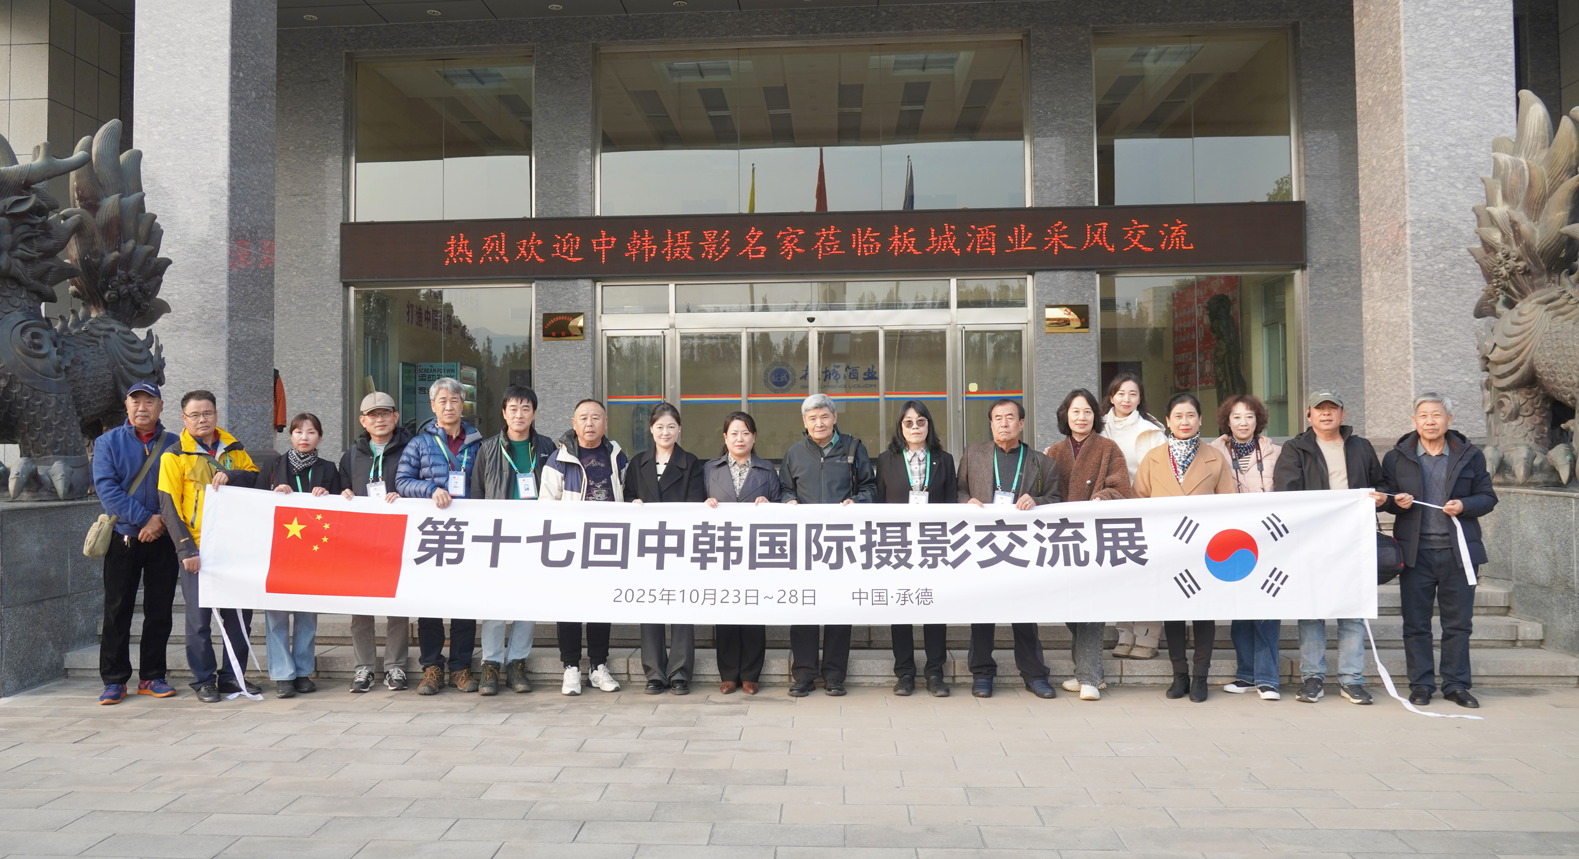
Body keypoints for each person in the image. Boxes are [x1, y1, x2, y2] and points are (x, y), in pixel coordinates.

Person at [1381, 393, 1497, 709]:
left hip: (1458, 553)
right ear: (1414, 420)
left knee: (1458, 624)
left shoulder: (1469, 455)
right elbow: (1386, 498)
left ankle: (1456, 685)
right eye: (1423, 415)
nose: (1430, 421)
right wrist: (1395, 502)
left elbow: (1488, 497)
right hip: (1415, 554)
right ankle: (1421, 685)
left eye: (1436, 415)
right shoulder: (1397, 457)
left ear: (1449, 419)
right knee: (1415, 624)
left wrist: (1464, 505)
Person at [1272, 390, 1388, 706]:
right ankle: (1313, 678)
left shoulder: (1361, 447)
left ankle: (1352, 680)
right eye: (1319, 408)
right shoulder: (1296, 449)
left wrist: (1381, 496)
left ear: (1343, 414)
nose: (1326, 413)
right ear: (1309, 415)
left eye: (1332, 408)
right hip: (1312, 542)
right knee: (1312, 610)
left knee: (1353, 611)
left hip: (1355, 541)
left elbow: (1382, 484)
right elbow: (1286, 493)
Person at [158, 390, 260, 703]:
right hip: (199, 549)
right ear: (184, 419)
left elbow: (254, 479)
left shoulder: (234, 447)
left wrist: (232, 475)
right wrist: (186, 550)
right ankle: (203, 680)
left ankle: (232, 677)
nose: (202, 419)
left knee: (238, 618)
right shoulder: (174, 455)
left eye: (207, 413)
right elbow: (169, 507)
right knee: (199, 620)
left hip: (235, 547)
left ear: (216, 414)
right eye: (195, 415)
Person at [957, 398, 1062, 700]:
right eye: (998, 418)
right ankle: (982, 674)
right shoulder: (973, 455)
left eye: (1010, 417)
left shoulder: (1042, 463)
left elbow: (1056, 499)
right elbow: (959, 490)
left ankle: (1034, 674)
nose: (1004, 423)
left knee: (1025, 614)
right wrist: (966, 501)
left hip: (1022, 548)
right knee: (982, 613)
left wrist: (1037, 501)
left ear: (1021, 423)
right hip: (983, 545)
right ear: (991, 424)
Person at [1135, 393, 1235, 703]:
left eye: (1190, 415)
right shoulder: (1153, 458)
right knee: (1173, 613)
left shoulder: (1215, 457)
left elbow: (1229, 504)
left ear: (1200, 419)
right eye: (1178, 416)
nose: (1184, 421)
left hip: (1204, 548)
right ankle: (1179, 674)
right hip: (1166, 547)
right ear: (1168, 421)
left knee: (1204, 613)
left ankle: (1201, 675)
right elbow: (1139, 501)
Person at [235, 413, 344, 698]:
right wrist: (273, 492)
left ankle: (303, 672)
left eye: (311, 432)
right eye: (298, 432)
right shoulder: (273, 466)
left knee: (307, 615)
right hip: (279, 552)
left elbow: (341, 511)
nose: (304, 437)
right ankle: (283, 674)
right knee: (277, 615)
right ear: (291, 435)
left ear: (320, 436)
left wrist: (328, 495)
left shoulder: (328, 468)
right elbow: (257, 505)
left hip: (313, 553)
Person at [778, 393, 877, 697]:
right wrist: (788, 500)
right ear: (804, 422)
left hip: (841, 542)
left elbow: (870, 487)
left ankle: (834, 675)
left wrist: (857, 501)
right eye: (812, 418)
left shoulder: (853, 448)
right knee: (803, 607)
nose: (818, 423)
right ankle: (804, 675)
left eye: (824, 416)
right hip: (804, 544)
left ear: (834, 418)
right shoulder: (794, 453)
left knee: (838, 608)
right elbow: (784, 488)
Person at [92, 381, 182, 705]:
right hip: (124, 537)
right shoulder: (108, 442)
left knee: (160, 610)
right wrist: (145, 519)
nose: (142, 407)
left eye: (149, 401)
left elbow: (182, 488)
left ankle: (152, 676)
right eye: (136, 401)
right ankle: (114, 680)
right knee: (118, 610)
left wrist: (160, 521)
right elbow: (107, 489)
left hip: (164, 539)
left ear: (161, 406)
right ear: (126, 406)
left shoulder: (175, 444)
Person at [395, 377, 484, 696]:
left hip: (469, 534)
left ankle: (461, 666)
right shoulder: (418, 444)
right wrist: (431, 489)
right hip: (431, 535)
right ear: (432, 406)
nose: (449, 406)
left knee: (464, 603)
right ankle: (431, 667)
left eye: (455, 400)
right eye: (442, 401)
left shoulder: (478, 443)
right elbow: (402, 481)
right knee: (430, 602)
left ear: (463, 405)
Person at [1043, 388, 1132, 701]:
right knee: (1070, 605)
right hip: (1062, 539)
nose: (1081, 417)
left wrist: (1101, 498)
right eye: (1075, 411)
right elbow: (1044, 492)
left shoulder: (1109, 448)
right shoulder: (1054, 452)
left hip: (1095, 537)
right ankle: (1090, 671)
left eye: (1087, 412)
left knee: (1091, 605)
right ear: (1065, 416)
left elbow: (1121, 488)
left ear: (1096, 416)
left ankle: (1089, 678)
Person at [543, 398, 629, 696]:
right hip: (570, 545)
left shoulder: (617, 456)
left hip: (606, 545)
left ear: (605, 422)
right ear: (574, 423)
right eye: (583, 418)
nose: (589, 423)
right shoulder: (559, 458)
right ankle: (570, 667)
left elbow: (627, 494)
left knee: (600, 604)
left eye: (595, 417)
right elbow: (546, 503)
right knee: (568, 604)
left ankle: (598, 666)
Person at [474, 385, 557, 696]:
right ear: (504, 413)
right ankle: (491, 663)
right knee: (495, 601)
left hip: (536, 535)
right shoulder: (487, 448)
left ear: (534, 413)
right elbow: (477, 494)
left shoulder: (548, 447)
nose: (519, 414)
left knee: (527, 600)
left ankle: (517, 663)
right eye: (513, 408)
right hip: (499, 536)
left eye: (525, 409)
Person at [875, 400, 957, 698]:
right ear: (900, 427)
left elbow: (951, 502)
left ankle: (935, 672)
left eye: (920, 421)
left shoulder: (944, 459)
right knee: (901, 607)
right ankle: (905, 672)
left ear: (928, 425)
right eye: (908, 422)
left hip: (934, 544)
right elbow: (880, 504)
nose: (914, 427)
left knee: (934, 607)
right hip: (897, 544)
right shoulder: (887, 460)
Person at [625, 403, 707, 695]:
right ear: (651, 429)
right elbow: (628, 496)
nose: (665, 432)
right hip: (647, 545)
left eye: (671, 426)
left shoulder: (691, 462)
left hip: (680, 543)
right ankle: (654, 673)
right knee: (651, 605)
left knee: (681, 605)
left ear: (679, 429)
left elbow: (695, 502)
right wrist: (633, 504)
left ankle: (680, 672)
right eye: (660, 426)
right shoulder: (638, 463)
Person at [1208, 394, 1284, 701]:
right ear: (1227, 421)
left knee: (1266, 609)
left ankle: (1268, 679)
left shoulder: (1275, 452)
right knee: (1240, 610)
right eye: (1237, 417)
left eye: (1249, 416)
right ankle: (1246, 675)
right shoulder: (1212, 452)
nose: (1243, 422)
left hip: (1267, 538)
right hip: (1231, 540)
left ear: (1258, 420)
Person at [337, 391, 412, 692]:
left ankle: (395, 667)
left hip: (398, 537)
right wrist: (342, 494)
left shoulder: (410, 449)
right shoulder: (351, 455)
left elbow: (418, 484)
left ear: (395, 416)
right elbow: (341, 489)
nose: (379, 419)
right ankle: (364, 669)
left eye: (385, 413)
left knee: (398, 605)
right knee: (361, 608)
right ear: (362, 421)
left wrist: (405, 494)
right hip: (361, 540)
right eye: (372, 415)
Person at [703, 411, 777, 695]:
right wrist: (705, 503)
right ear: (725, 437)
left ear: (754, 437)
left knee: (754, 610)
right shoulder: (710, 469)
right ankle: (728, 673)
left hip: (756, 550)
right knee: (726, 610)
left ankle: (750, 674)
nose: (740, 438)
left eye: (745, 433)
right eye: (734, 433)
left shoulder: (767, 470)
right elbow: (695, 504)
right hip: (721, 549)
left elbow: (781, 503)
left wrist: (769, 503)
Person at [1099, 372, 1167, 661]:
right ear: (1111, 396)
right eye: (1121, 393)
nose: (1126, 399)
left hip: (1145, 510)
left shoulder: (1152, 432)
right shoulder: (1098, 427)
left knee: (1147, 574)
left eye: (1133, 394)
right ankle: (1125, 633)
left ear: (1140, 399)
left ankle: (1147, 636)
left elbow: (1162, 475)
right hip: (1110, 511)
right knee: (1119, 574)